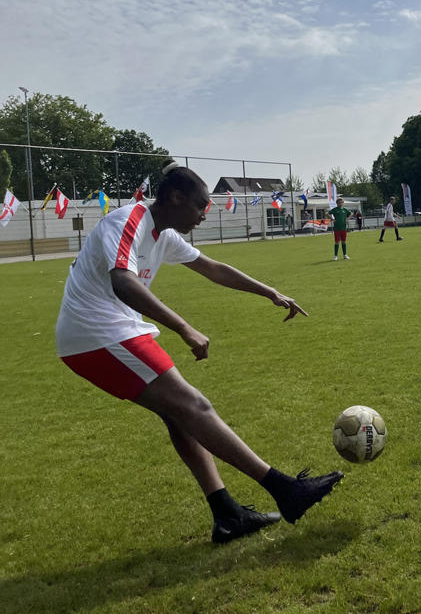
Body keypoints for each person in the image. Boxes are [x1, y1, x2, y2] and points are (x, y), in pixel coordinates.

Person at [55, 161, 343, 545]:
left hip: (106, 332)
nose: (204, 215)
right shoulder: (128, 222)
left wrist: (270, 292)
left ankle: (227, 515)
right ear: (175, 197)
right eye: (200, 205)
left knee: (179, 416)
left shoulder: (164, 234)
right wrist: (184, 327)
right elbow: (122, 281)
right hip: (97, 333)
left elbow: (213, 268)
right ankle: (286, 490)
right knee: (194, 406)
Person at [328, 196, 352, 260]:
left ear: (343, 203)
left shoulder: (345, 210)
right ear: (337, 203)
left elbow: (351, 214)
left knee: (344, 242)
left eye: (341, 202)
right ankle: (335, 256)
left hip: (343, 228)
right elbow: (327, 213)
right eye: (339, 202)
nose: (340, 203)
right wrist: (332, 219)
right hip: (337, 229)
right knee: (337, 242)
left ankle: (345, 255)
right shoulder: (335, 209)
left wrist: (347, 219)